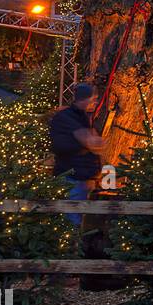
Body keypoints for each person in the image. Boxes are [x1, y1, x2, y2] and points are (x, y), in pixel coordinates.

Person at [48, 82, 104, 227]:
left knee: (81, 221)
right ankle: (73, 247)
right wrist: (88, 143)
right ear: (85, 98)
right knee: (73, 221)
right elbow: (90, 142)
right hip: (71, 178)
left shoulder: (82, 117)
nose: (96, 102)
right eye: (94, 98)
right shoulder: (67, 118)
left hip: (82, 179)